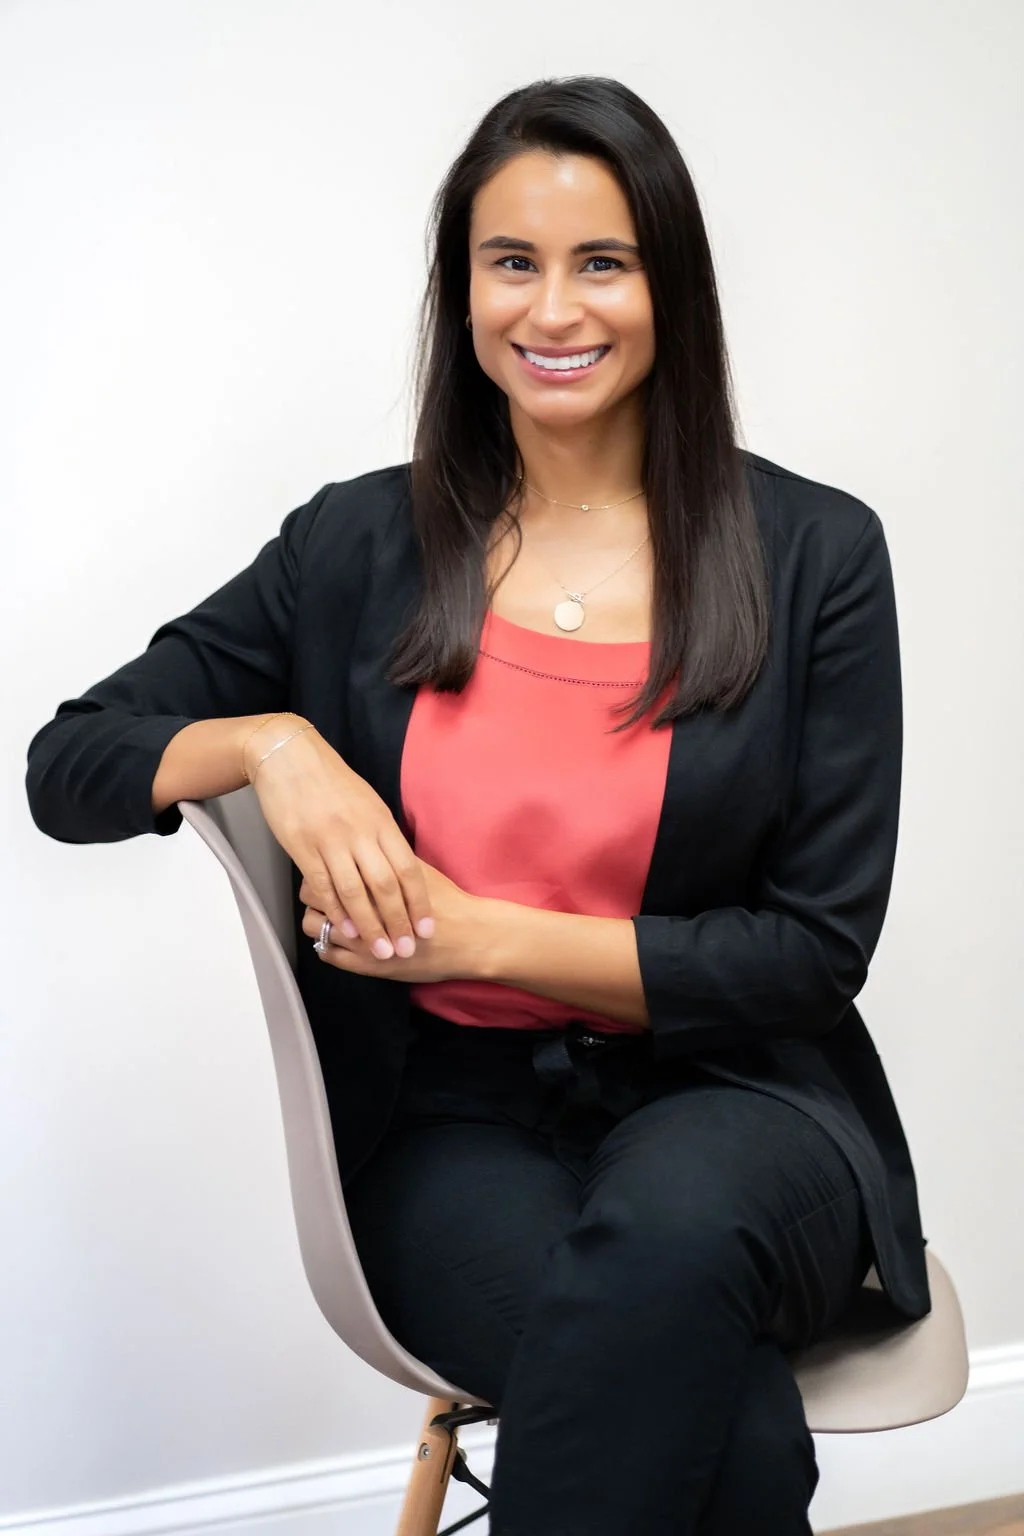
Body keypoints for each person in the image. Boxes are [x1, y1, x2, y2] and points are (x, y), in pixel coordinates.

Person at [25, 75, 931, 1536]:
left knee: (672, 1238)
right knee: (738, 1447)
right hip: (451, 1125)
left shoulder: (816, 553)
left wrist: (481, 937)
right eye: (512, 262)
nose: (553, 310)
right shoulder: (357, 544)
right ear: (461, 293)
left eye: (603, 262)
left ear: (670, 286)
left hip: (746, 1097)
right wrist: (271, 745)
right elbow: (69, 766)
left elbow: (808, 953)